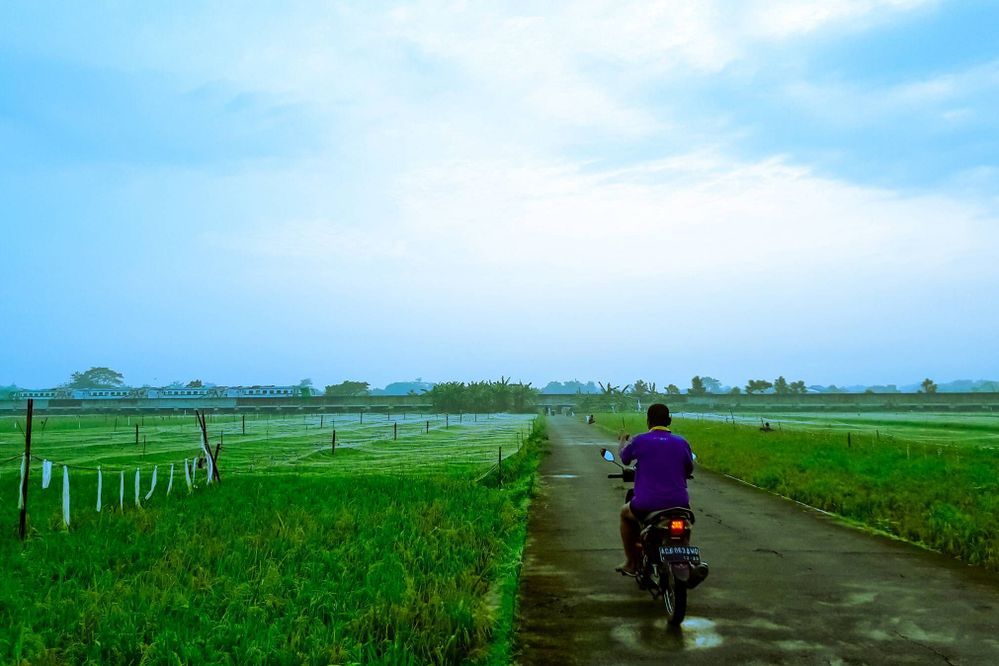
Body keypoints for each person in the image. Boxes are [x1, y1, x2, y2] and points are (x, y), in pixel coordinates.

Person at [615, 403, 694, 576]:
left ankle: (631, 561)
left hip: (647, 504)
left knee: (624, 514)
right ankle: (686, 560)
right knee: (685, 524)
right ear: (669, 421)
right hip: (679, 503)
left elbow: (625, 459)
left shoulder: (640, 440)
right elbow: (689, 469)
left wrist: (622, 442)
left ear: (648, 421)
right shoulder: (682, 443)